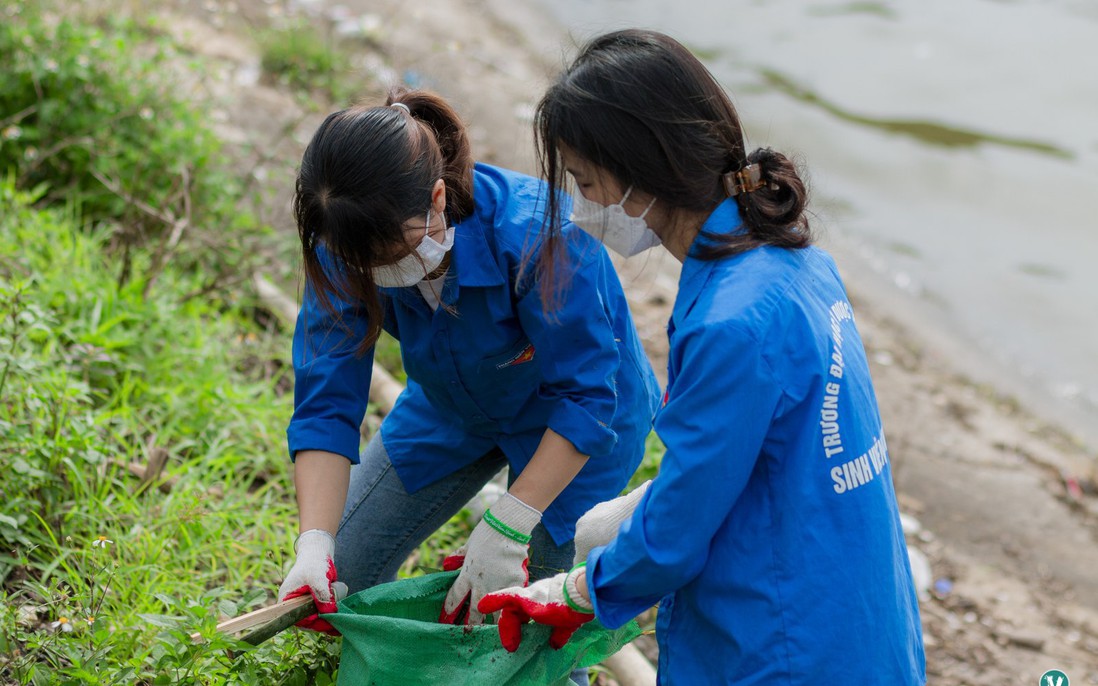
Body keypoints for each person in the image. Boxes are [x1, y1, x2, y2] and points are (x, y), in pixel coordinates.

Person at [478, 30, 927, 685]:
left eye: (583, 181)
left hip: (785, 645)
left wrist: (574, 594)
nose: (578, 212)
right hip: (858, 614)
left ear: (640, 169)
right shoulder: (795, 266)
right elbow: (764, 459)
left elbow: (675, 538)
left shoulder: (732, 322)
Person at [276, 87, 661, 644]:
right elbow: (324, 403)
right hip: (452, 404)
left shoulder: (538, 235)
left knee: (533, 629)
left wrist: (510, 522)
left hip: (577, 424)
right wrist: (313, 542)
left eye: (395, 255)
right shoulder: (345, 242)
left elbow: (587, 397)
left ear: (437, 198)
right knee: (344, 577)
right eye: (364, 264)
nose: (379, 273)